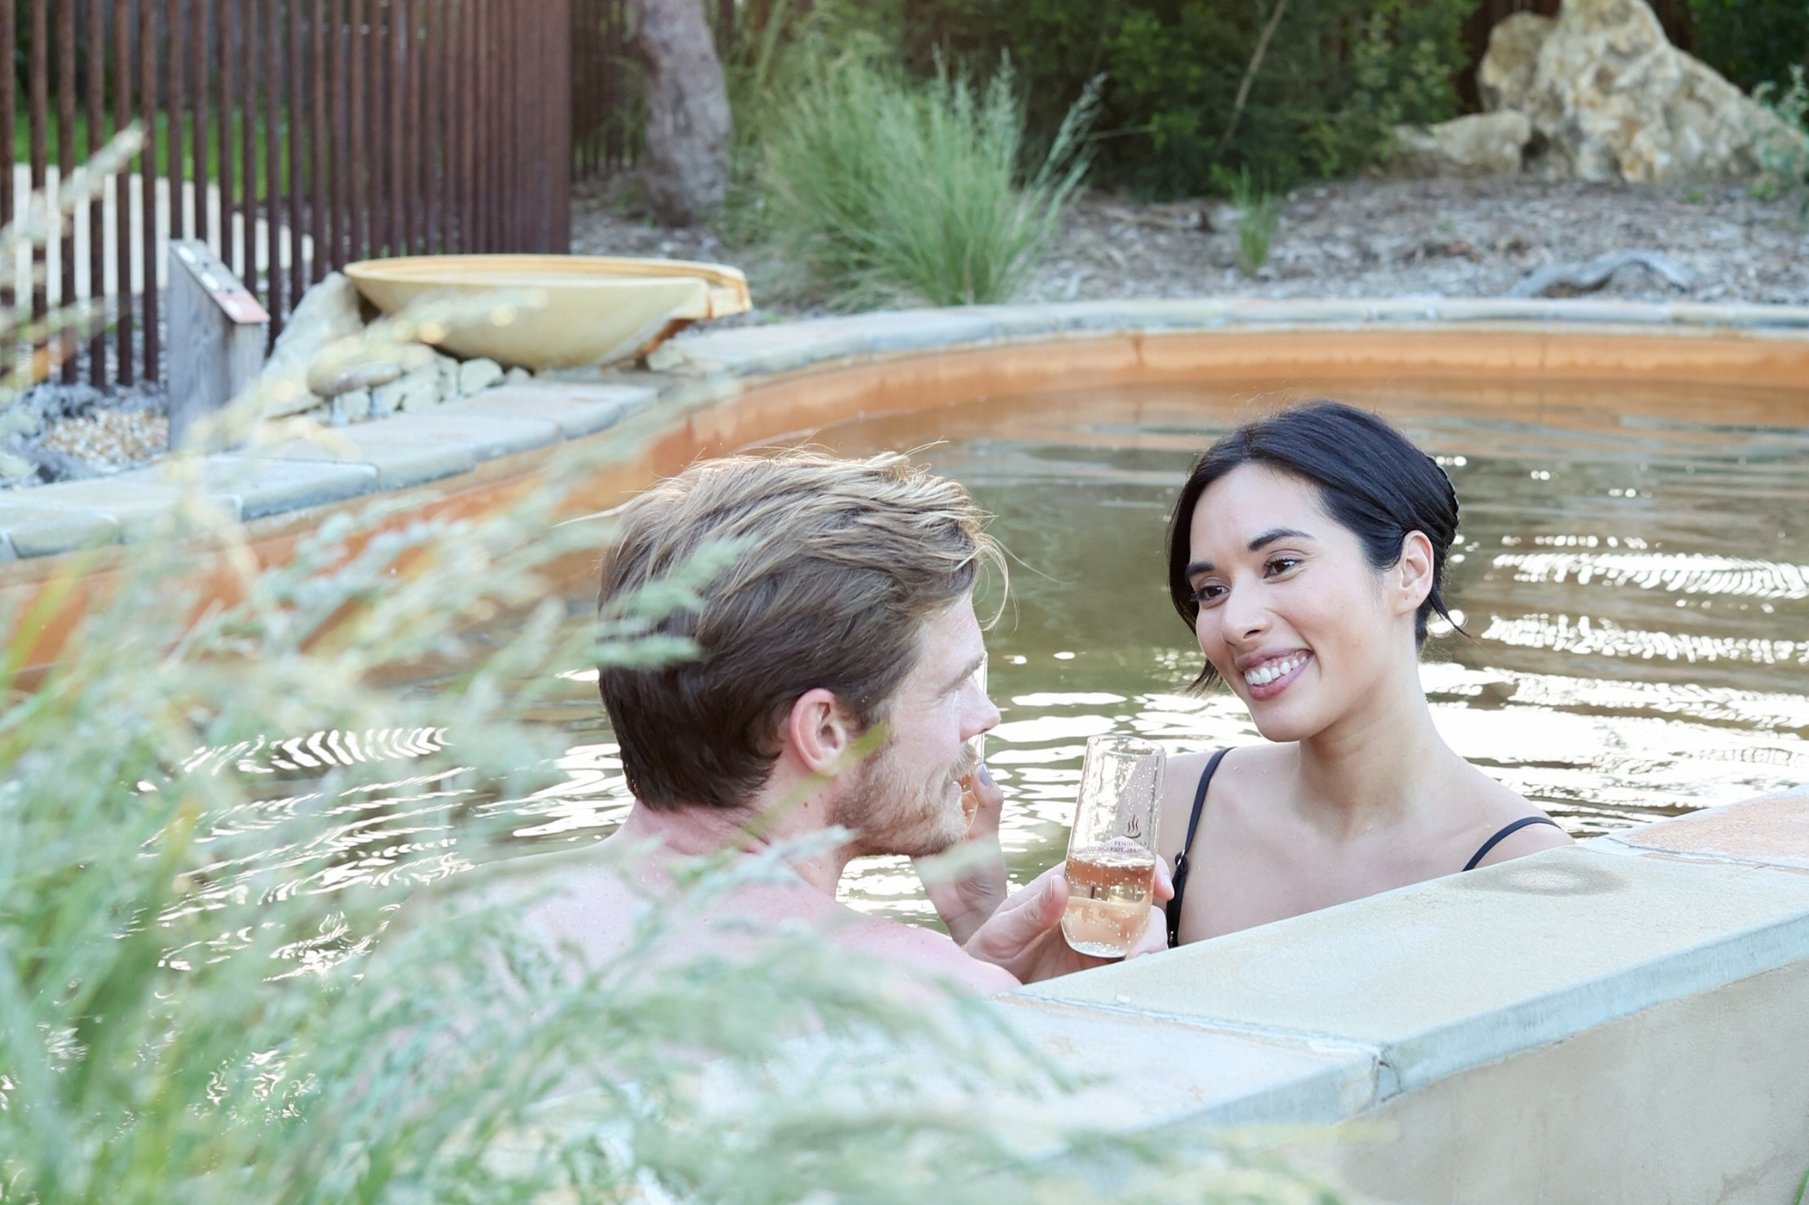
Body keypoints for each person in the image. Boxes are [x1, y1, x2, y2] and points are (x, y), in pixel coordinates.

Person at [506, 449, 1168, 994]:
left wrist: (983, 962)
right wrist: (1102, 1008)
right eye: (955, 685)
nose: (983, 716)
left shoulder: (463, 935)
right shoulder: (909, 996)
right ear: (824, 732)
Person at [1159, 402, 1571, 945]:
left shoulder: (1521, 872)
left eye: (1281, 565)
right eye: (1212, 590)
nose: (1235, 623)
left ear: (1410, 572)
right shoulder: (1166, 805)